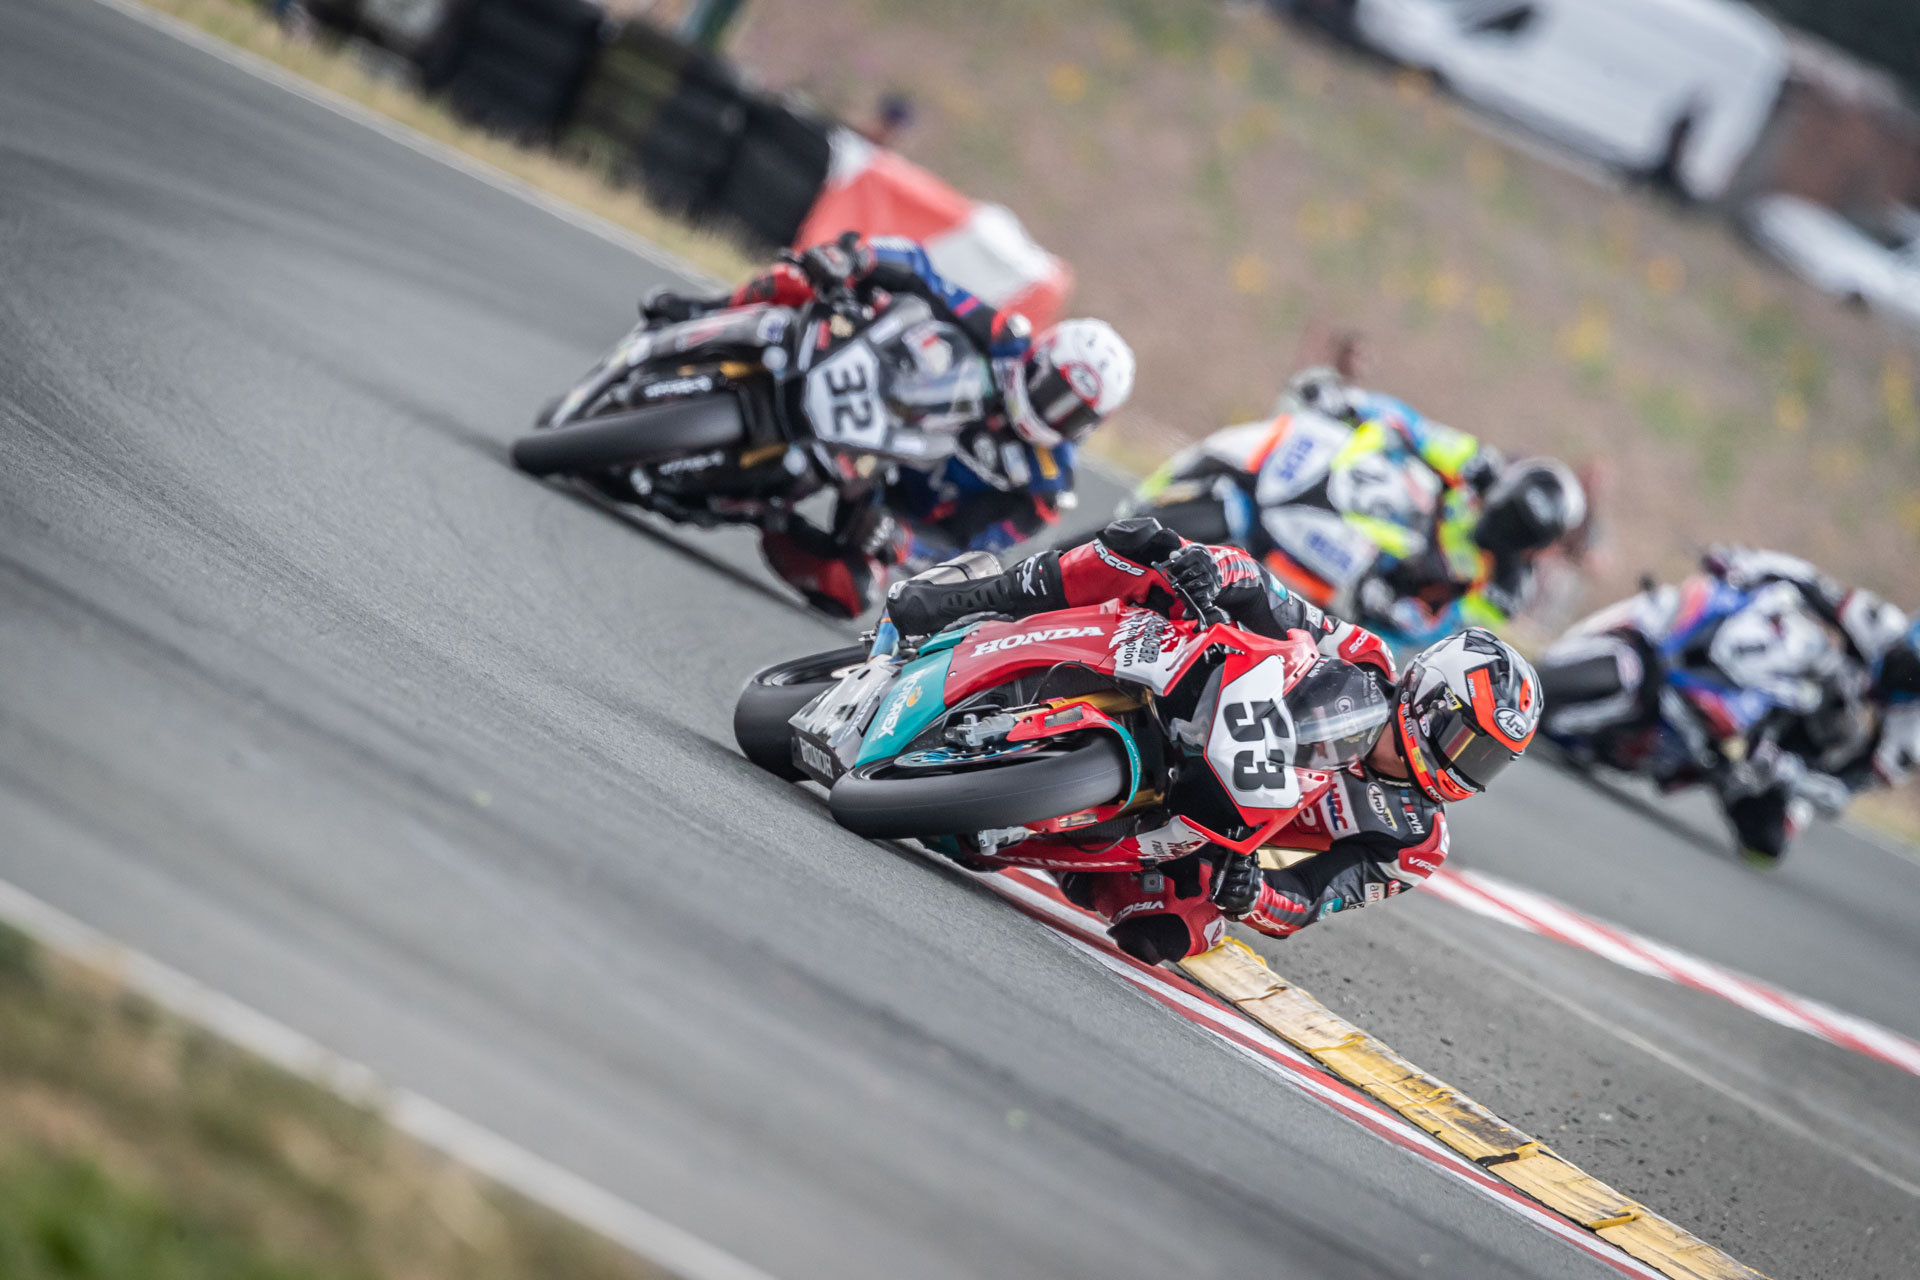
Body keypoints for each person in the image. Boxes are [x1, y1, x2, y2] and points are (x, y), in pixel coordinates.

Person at [887, 516, 1542, 963]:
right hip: (1197, 696)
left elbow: (1308, 901)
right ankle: (975, 598)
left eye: (1487, 759)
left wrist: (1254, 894)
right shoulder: (1364, 657)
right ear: (1430, 698)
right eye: (1467, 739)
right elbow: (1270, 594)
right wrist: (1212, 571)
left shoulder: (1415, 841)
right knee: (1144, 547)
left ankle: (1035, 840)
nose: (1466, 765)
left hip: (1214, 823)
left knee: (1175, 932)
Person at [644, 232, 1135, 616]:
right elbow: (922, 274)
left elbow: (971, 547)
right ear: (1040, 358)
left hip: (883, 492)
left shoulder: (1046, 488)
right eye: (1054, 392)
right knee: (802, 279)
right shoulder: (1003, 337)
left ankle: (757, 510)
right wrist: (856, 259)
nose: (1053, 414)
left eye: (1073, 413)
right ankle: (701, 310)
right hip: (873, 389)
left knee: (851, 589)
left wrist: (904, 539)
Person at [1271, 365, 1586, 647]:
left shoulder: (1503, 592)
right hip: (1362, 492)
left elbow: (1444, 628)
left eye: (1519, 528)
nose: (1505, 525)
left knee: (1331, 637)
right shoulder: (1479, 465)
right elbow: (1412, 428)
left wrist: (1393, 611)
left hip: (1372, 584)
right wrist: (1353, 403)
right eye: (1509, 510)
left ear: (1532, 544)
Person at [1699, 548, 1920, 864]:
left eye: (1914, 678)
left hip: (1795, 752)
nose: (1901, 674)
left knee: (1767, 844)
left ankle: (1720, 769)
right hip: (1785, 676)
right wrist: (1746, 563)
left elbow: (1841, 791)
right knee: (1807, 642)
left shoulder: (1911, 739)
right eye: (1905, 658)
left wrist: (1793, 775)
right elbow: (1806, 580)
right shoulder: (1879, 620)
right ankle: (1702, 675)